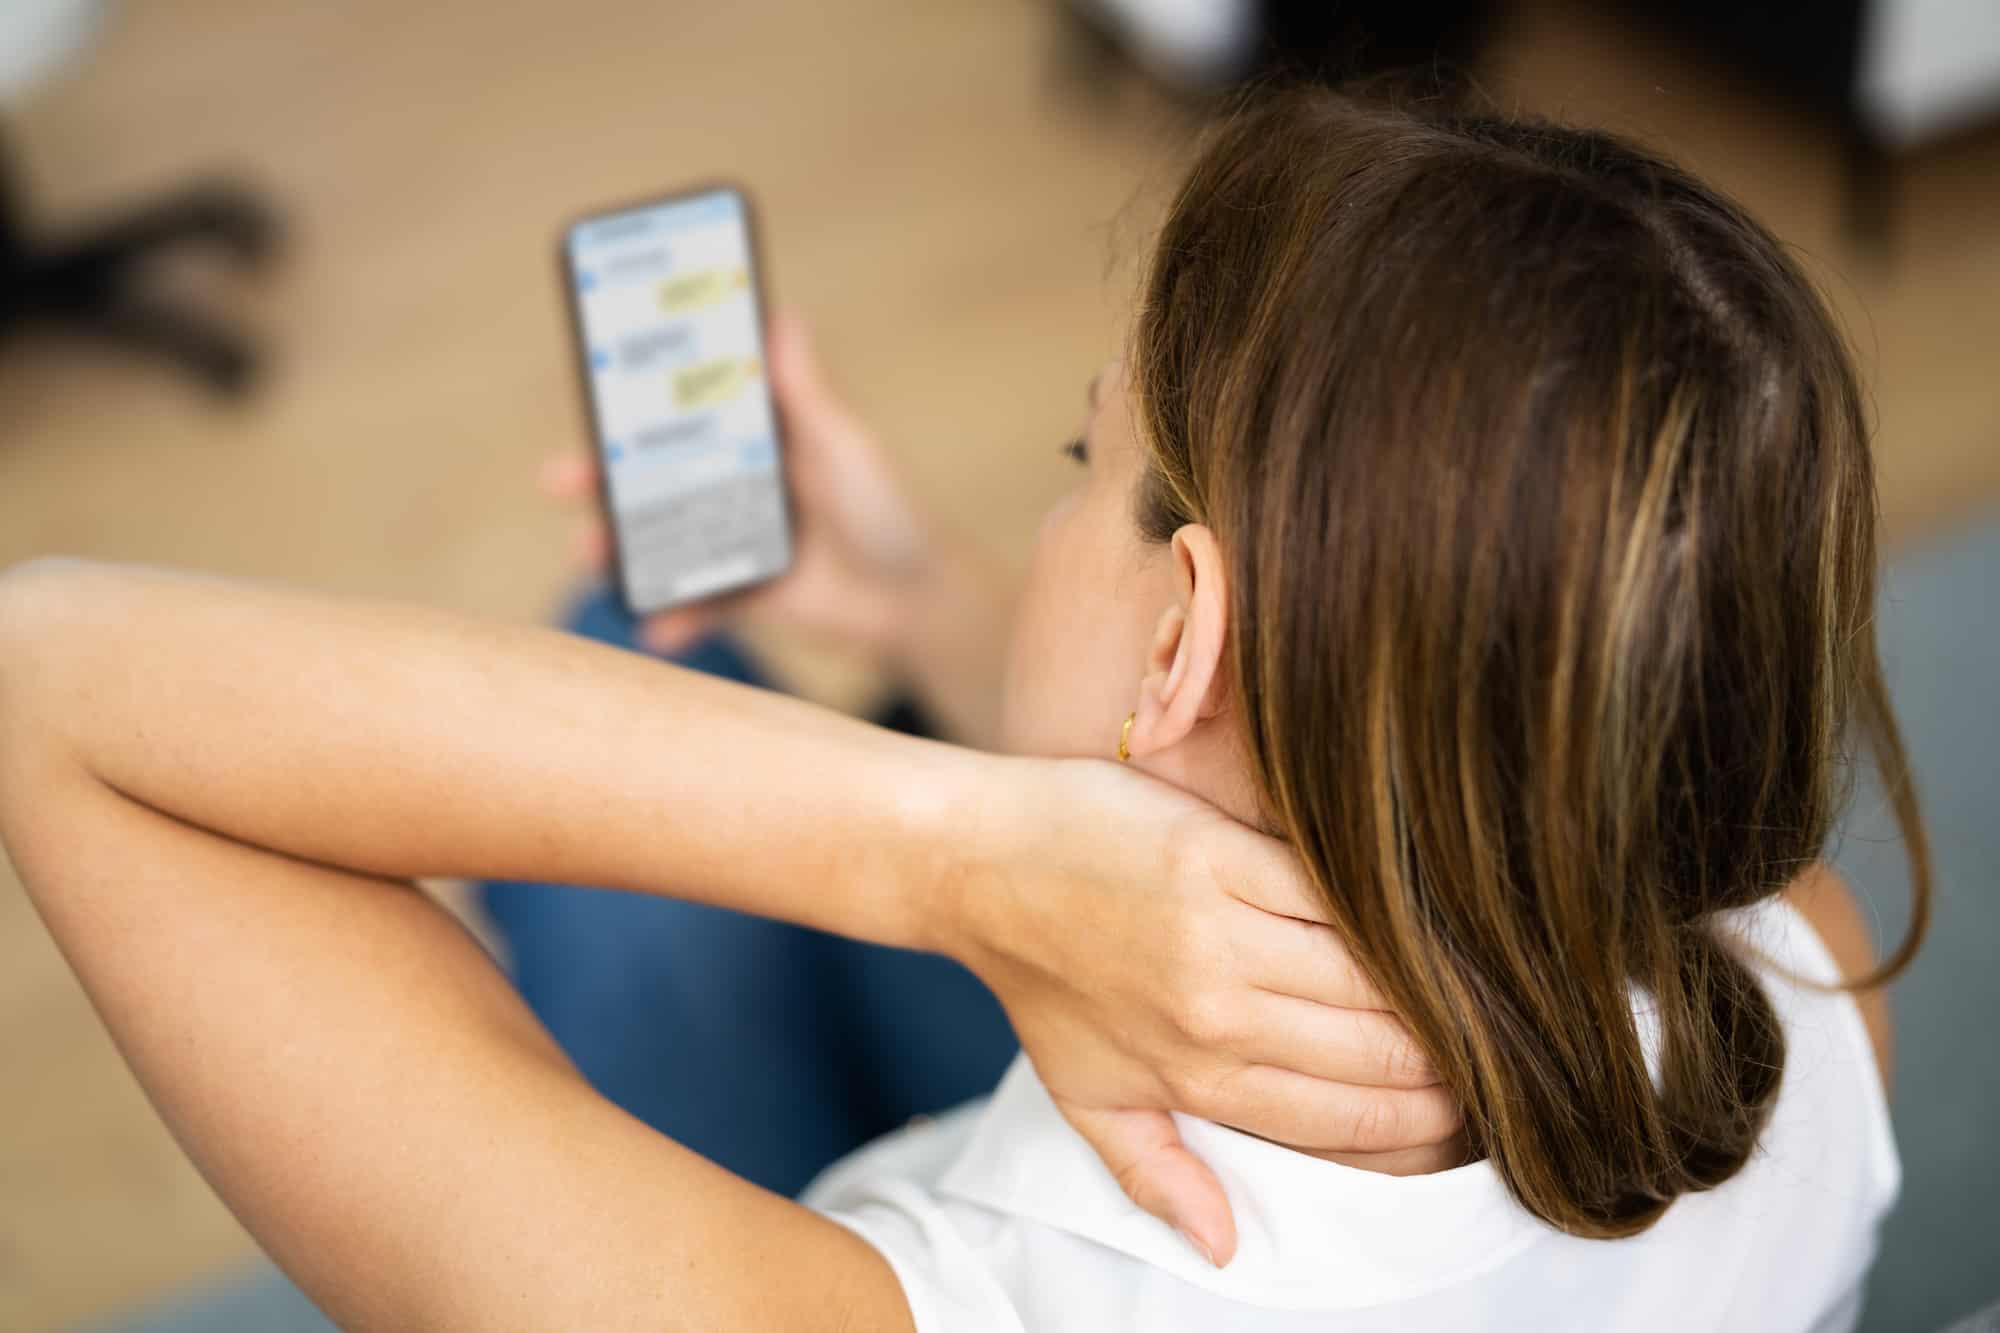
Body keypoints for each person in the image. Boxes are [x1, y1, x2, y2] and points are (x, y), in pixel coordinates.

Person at [0, 81, 1931, 1331]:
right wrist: (910, 597)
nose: (1054, 494)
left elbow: (54, 671)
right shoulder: (1803, 984)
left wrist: (942, 844)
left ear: (1183, 643)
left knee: (629, 663)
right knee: (666, 641)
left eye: (1078, 454)